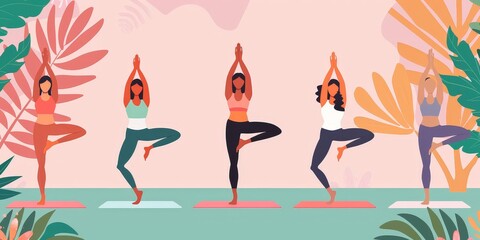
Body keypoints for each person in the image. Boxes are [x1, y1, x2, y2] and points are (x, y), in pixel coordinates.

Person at [311, 52, 374, 203]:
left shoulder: (342, 103)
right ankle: (330, 192)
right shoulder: (324, 103)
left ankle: (343, 148)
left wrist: (337, 69)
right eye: (330, 88)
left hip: (338, 133)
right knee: (314, 166)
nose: (332, 90)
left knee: (368, 135)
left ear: (338, 91)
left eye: (335, 88)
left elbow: (343, 85)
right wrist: (330, 68)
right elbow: (325, 83)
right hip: (325, 135)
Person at [117, 54, 181, 204]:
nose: (137, 88)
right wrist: (134, 70)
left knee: (175, 134)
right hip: (131, 134)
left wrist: (140, 70)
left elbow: (146, 85)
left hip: (144, 132)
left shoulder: (146, 101)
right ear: (132, 89)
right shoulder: (128, 101)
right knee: (120, 165)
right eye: (135, 86)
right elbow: (126, 86)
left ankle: (150, 147)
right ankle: (137, 192)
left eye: (139, 87)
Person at [225, 43, 282, 205]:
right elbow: (229, 77)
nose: (237, 83)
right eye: (235, 81)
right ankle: (234, 196)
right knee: (233, 162)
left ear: (243, 84)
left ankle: (246, 142)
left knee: (275, 130)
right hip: (231, 126)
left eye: (240, 81)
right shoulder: (228, 94)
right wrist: (235, 61)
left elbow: (248, 78)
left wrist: (241, 61)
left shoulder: (247, 94)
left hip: (245, 124)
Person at [33, 48, 86, 205]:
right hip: (39, 129)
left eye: (47, 84)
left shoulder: (53, 96)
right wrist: (42, 64)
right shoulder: (36, 96)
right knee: (41, 164)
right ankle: (42, 196)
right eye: (43, 84)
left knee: (80, 131)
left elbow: (54, 82)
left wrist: (48, 66)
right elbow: (36, 80)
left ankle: (53, 143)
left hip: (51, 126)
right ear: (40, 86)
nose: (45, 86)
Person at [417, 49, 470, 205]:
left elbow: (440, 83)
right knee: (426, 164)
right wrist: (428, 65)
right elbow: (420, 82)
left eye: (432, 83)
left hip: (437, 128)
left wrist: (434, 68)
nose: (431, 85)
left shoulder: (438, 98)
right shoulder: (422, 98)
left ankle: (437, 145)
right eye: (428, 83)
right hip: (425, 131)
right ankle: (426, 197)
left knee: (465, 133)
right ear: (426, 87)